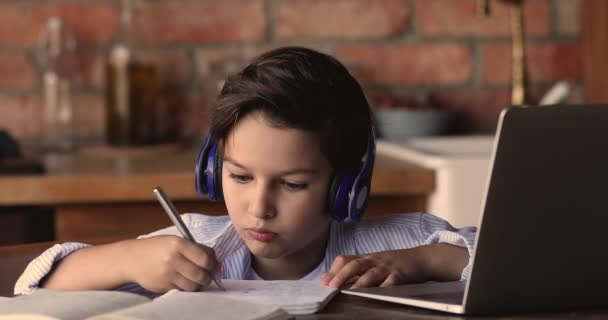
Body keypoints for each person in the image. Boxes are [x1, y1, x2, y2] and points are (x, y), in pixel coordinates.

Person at [15, 47, 476, 295]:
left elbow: (508, 264)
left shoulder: (397, 245)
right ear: (213, 170)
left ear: (345, 187)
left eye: (293, 183)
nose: (259, 208)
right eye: (239, 177)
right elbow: (35, 282)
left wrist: (423, 262)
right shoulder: (197, 242)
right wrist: (128, 260)